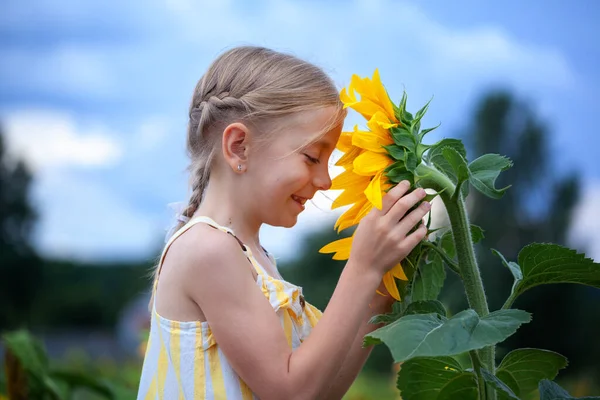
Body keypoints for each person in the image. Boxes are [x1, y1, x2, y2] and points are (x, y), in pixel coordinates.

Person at [137, 46, 430, 400]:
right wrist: (363, 267)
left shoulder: (250, 256)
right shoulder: (207, 251)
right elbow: (292, 393)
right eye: (312, 157)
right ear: (239, 147)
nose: (326, 180)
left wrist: (380, 292)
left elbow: (323, 388)